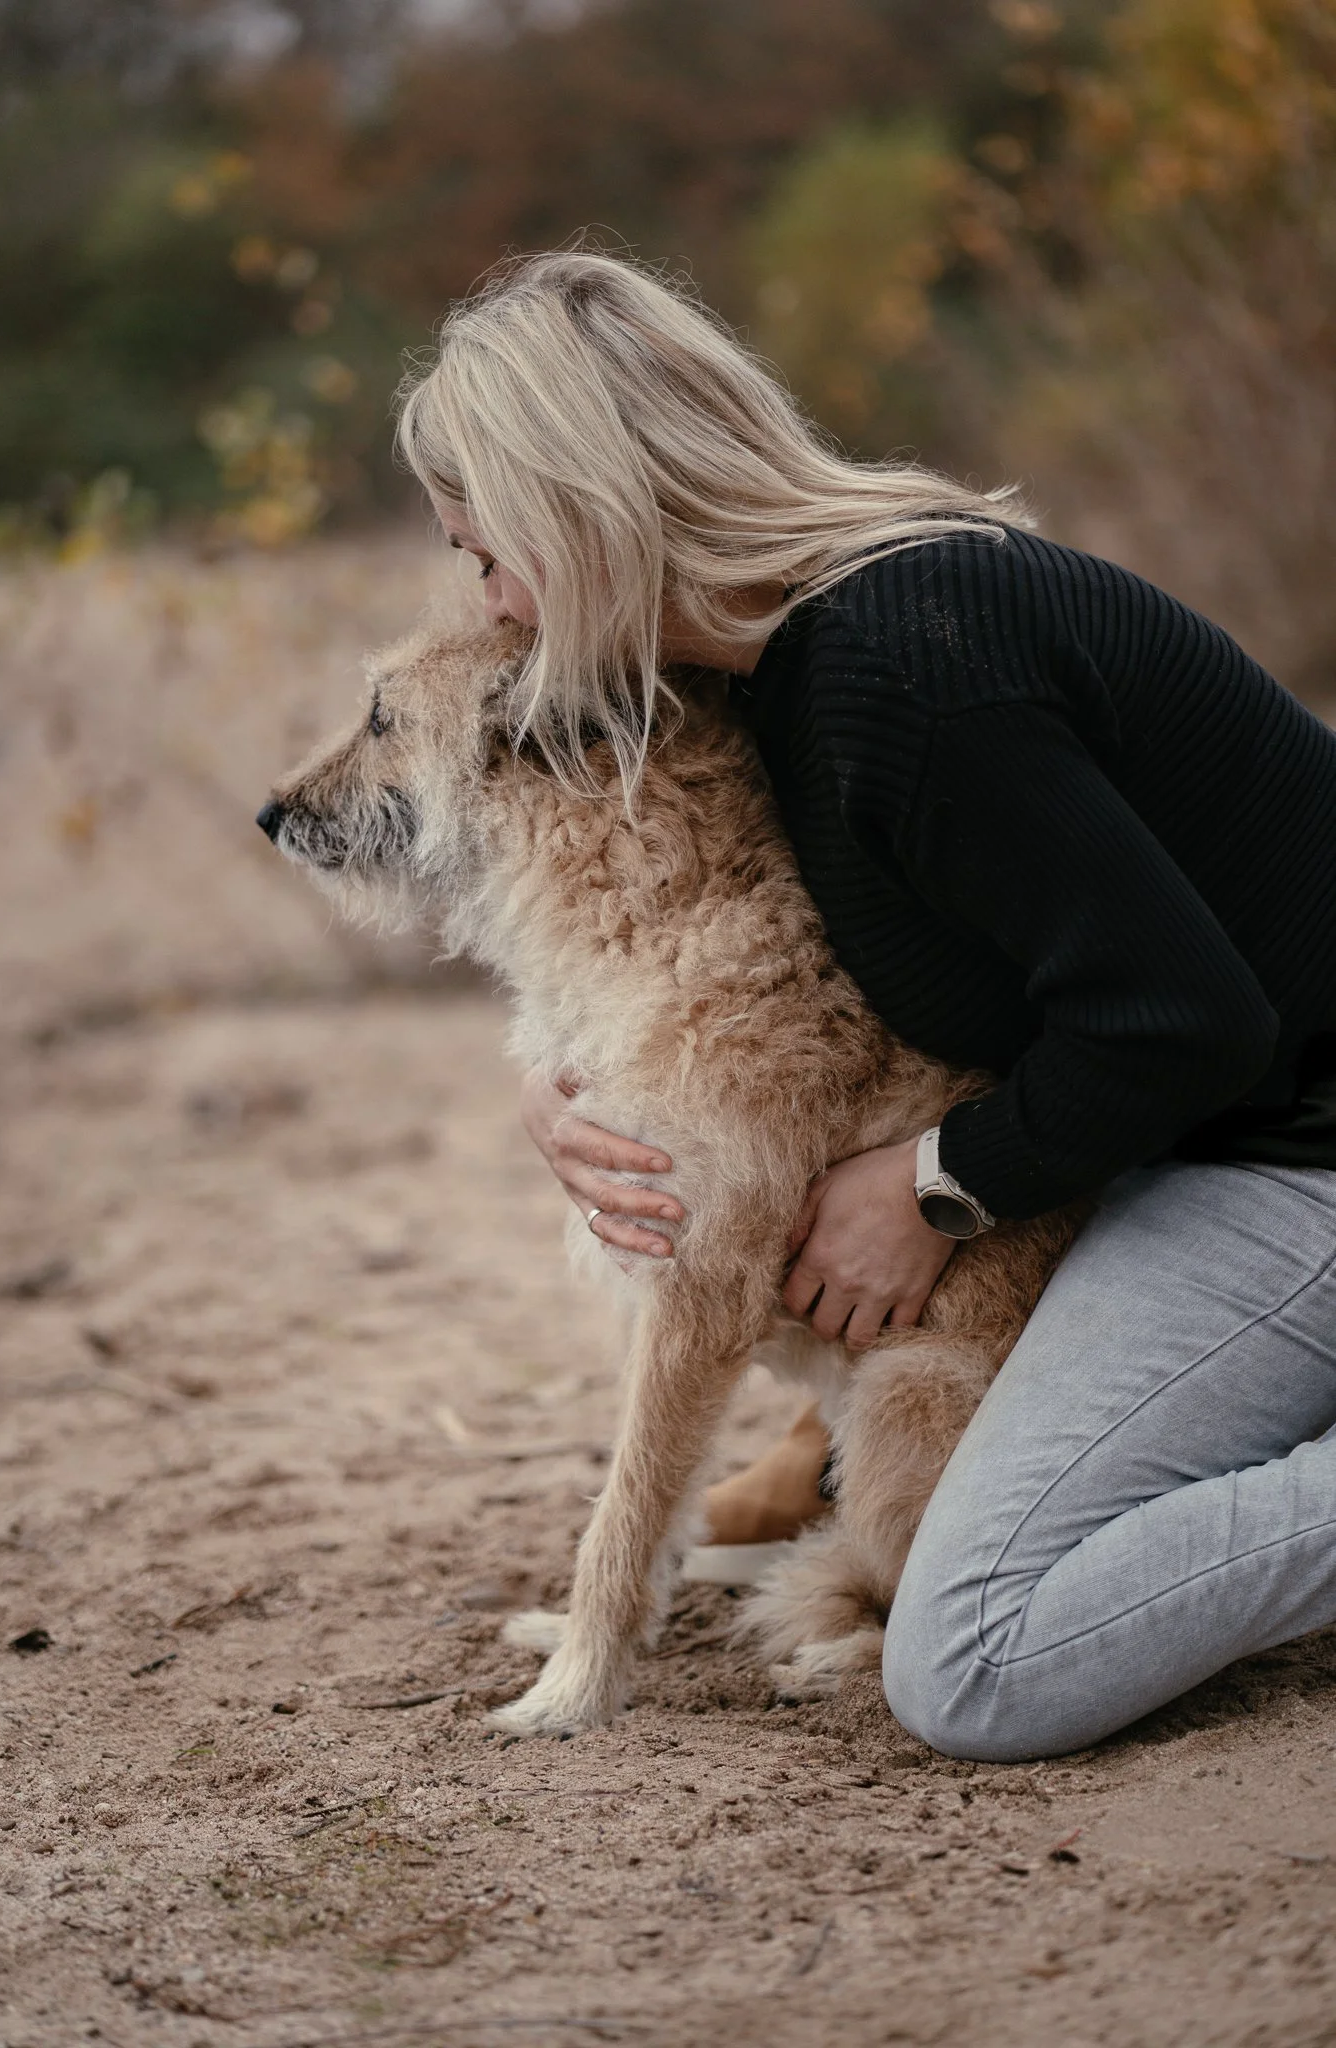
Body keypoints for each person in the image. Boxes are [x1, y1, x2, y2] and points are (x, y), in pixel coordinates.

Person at [395, 249, 1336, 1763]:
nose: (488, 608)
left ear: (587, 518)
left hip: (1294, 1154)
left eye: (485, 554)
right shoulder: (772, 664)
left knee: (975, 1662)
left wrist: (941, 1185)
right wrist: (560, 1090)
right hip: (1184, 1147)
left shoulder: (910, 663)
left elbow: (1186, 1020)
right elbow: (761, 989)